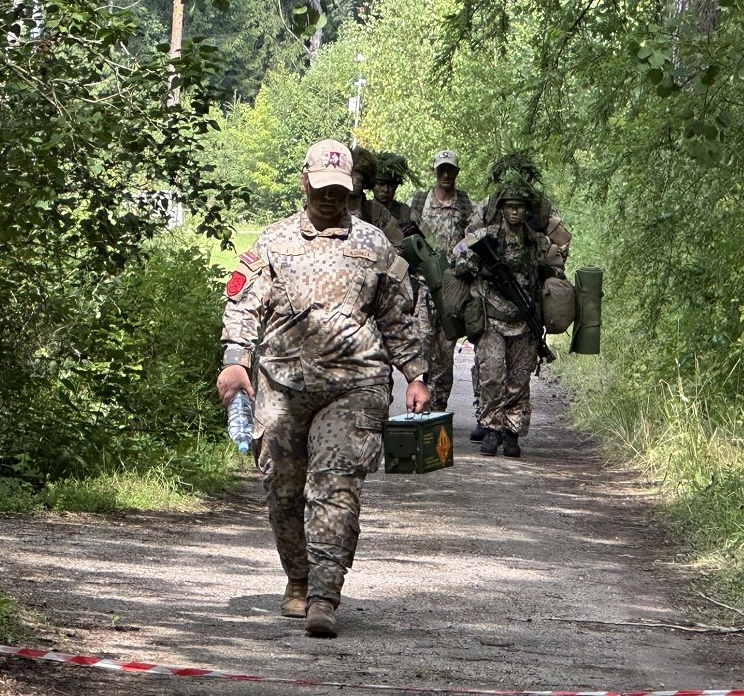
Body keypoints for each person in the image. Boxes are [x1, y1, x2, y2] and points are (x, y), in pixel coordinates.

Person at [217, 139, 430, 639]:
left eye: (340, 190)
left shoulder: (375, 245)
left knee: (335, 486)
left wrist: (415, 374)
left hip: (354, 386)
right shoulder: (272, 243)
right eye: (322, 189)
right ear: (304, 182)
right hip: (282, 386)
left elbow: (399, 315)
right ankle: (299, 577)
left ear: (351, 187)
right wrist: (235, 361)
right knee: (284, 489)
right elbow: (243, 305)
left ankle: (324, 596)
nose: (330, 199)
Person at [453, 181, 562, 458]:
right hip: (492, 319)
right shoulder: (486, 236)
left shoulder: (537, 242)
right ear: (501, 209)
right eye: (510, 207)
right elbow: (458, 256)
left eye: (520, 207)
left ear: (526, 211)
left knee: (519, 380)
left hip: (524, 322)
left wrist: (550, 272)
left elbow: (558, 266)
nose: (515, 212)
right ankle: (491, 428)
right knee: (491, 377)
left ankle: (512, 433)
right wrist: (473, 266)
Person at [408, 149, 473, 412]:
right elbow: (408, 237)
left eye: (451, 170)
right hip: (423, 285)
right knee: (422, 343)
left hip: (451, 288)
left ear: (456, 173)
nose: (446, 175)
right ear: (434, 172)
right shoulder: (420, 201)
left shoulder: (466, 204)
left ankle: (438, 407)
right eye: (441, 170)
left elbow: (473, 237)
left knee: (445, 351)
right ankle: (419, 402)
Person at [348, 145, 404, 247]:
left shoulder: (377, 212)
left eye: (358, 179)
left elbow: (398, 244)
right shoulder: (331, 207)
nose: (353, 182)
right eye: (349, 176)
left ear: (365, 183)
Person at [373, 152, 422, 238]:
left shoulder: (409, 214)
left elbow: (430, 246)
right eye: (381, 184)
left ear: (396, 186)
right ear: (372, 184)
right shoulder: (362, 212)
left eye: (390, 185)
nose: (386, 189)